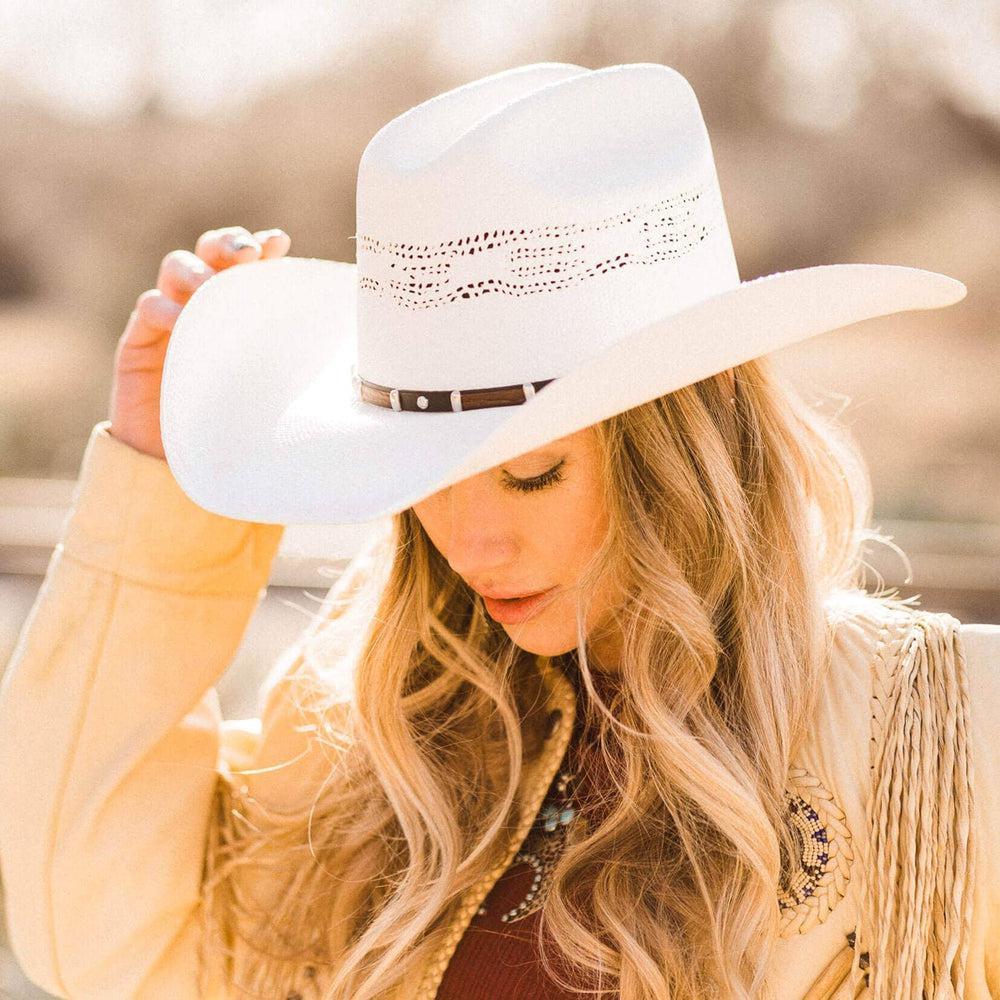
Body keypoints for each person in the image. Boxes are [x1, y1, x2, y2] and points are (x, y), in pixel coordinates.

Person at [0, 62, 997, 1000]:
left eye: (531, 473)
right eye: (424, 478)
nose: (469, 544)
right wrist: (160, 481)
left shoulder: (941, 740)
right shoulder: (373, 725)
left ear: (681, 450)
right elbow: (88, 931)